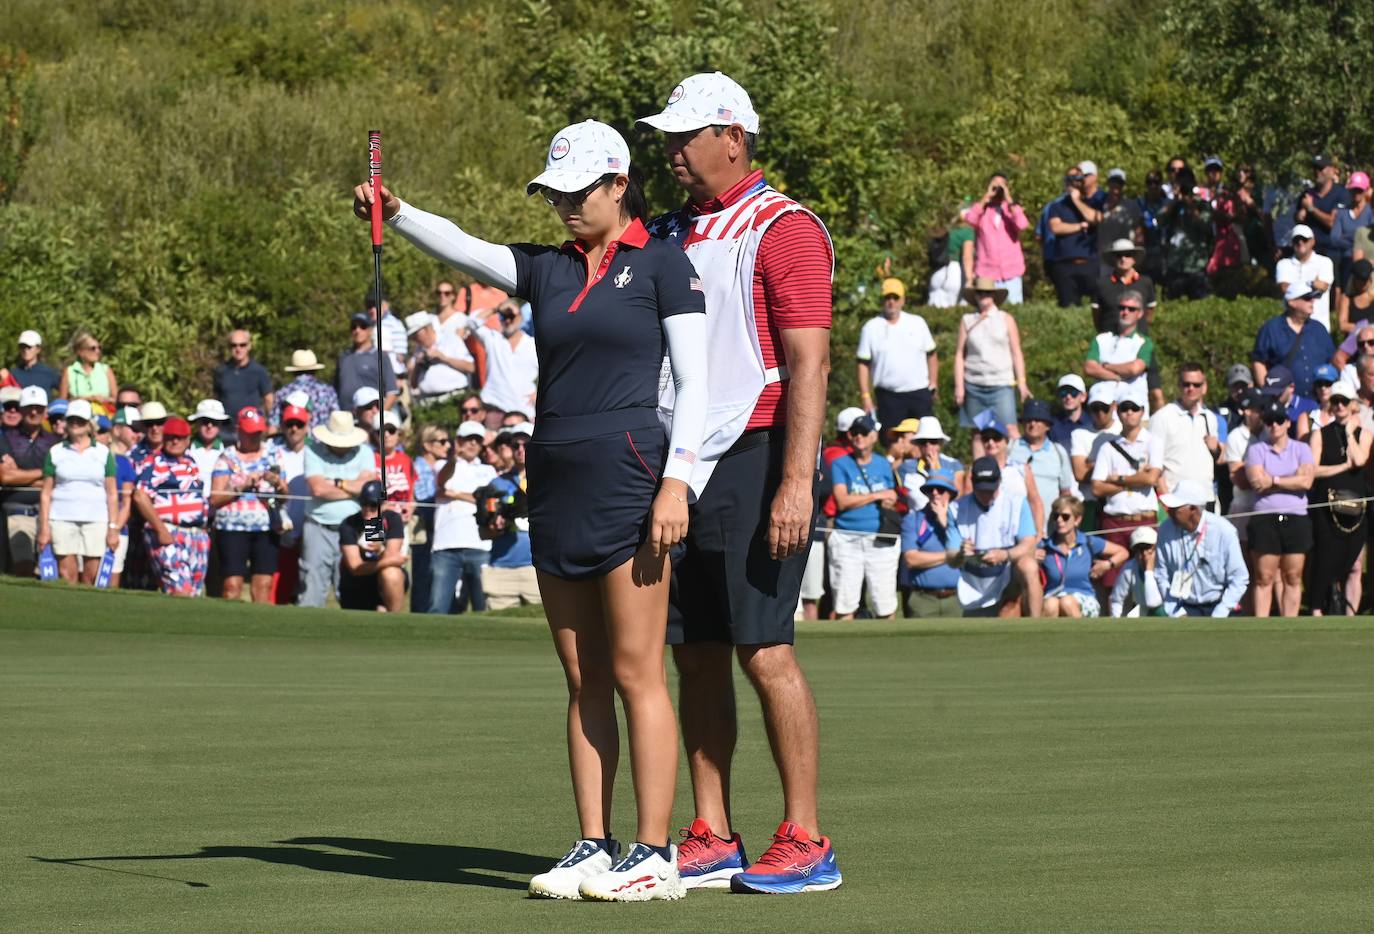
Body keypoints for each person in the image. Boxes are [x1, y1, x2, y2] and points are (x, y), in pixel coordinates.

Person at [359, 114, 709, 901]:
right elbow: (464, 245)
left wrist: (677, 482)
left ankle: (654, 854)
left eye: (577, 192)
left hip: (631, 477)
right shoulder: (547, 269)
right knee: (582, 674)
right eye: (553, 193)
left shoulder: (665, 265)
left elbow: (696, 384)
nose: (562, 206)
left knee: (634, 671)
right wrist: (397, 211)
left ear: (619, 185)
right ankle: (594, 842)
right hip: (554, 480)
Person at [638, 73, 840, 895]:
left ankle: (807, 836)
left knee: (766, 650)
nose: (673, 153)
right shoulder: (667, 230)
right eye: (668, 139)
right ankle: (713, 831)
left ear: (733, 136)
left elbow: (809, 362)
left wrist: (796, 482)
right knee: (696, 653)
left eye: (686, 138)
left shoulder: (784, 226)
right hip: (683, 461)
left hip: (759, 455)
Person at [35, 399, 119, 585]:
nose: (75, 424)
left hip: (96, 519)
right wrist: (44, 528)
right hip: (61, 517)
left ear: (89, 424)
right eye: (71, 420)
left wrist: (113, 528)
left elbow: (112, 493)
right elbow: (46, 493)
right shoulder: (55, 452)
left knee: (92, 574)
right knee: (66, 574)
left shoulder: (103, 453)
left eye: (80, 420)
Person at [1244, 399, 1314, 617]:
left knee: (1293, 576)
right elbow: (1257, 482)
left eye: (1279, 420)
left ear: (1287, 423)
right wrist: (1290, 479)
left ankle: (1290, 625)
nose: (1274, 425)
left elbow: (1306, 482)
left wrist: (1273, 480)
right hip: (1265, 518)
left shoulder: (1302, 449)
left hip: (1296, 518)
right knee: (1264, 576)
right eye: (1269, 421)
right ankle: (1261, 627)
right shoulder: (1256, 450)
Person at [300, 411, 377, 608]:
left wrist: (336, 483)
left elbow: (370, 488)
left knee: (355, 590)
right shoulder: (312, 450)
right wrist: (354, 489)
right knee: (312, 588)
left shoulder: (365, 452)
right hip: (319, 526)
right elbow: (317, 488)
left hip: (354, 529)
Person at [208, 406, 285, 604]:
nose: (254, 437)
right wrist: (242, 486)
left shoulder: (273, 455)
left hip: (266, 527)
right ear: (239, 431)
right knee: (232, 585)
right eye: (250, 433)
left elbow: (285, 496)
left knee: (263, 586)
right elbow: (215, 498)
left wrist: (276, 482)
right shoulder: (226, 458)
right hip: (232, 528)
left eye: (258, 433)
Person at [1305, 379, 1369, 615]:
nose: (1340, 406)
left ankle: (1350, 613)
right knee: (1324, 559)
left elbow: (1360, 460)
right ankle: (1316, 610)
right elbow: (1314, 470)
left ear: (1353, 404)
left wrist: (1350, 434)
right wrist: (1342, 466)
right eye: (1336, 401)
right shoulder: (1320, 435)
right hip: (1327, 506)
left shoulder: (1363, 433)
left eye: (1344, 401)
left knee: (1354, 564)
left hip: (1355, 507)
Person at [1089, 384, 1162, 589]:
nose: (1129, 413)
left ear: (1142, 411)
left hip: (1144, 518)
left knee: (1147, 579)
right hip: (1114, 519)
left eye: (1134, 408)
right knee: (1111, 582)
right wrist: (1134, 480)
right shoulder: (1107, 447)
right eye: (1124, 408)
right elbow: (1096, 488)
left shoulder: (1153, 442)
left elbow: (1151, 479)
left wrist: (1116, 479)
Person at [827, 415, 899, 620]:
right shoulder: (841, 464)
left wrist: (888, 499)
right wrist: (877, 495)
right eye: (855, 433)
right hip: (847, 538)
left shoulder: (883, 464)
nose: (859, 437)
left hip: (879, 538)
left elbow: (890, 496)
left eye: (864, 433)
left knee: (885, 605)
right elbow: (842, 501)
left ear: (873, 437)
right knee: (844, 605)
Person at [132, 416, 211, 597]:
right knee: (178, 588)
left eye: (180, 437)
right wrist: (160, 529)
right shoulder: (155, 463)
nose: (175, 441)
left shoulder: (191, 462)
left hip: (196, 535)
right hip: (169, 531)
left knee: (194, 592)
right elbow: (140, 496)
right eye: (170, 437)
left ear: (188, 440)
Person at [952, 456, 1039, 617]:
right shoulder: (956, 508)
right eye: (981, 490)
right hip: (970, 581)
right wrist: (960, 551)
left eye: (990, 489)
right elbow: (949, 554)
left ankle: (1036, 625)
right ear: (972, 482)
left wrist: (1005, 555)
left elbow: (1029, 543)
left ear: (1000, 481)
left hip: (1006, 577)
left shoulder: (1017, 503)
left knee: (1029, 565)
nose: (986, 495)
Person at [428, 421, 496, 614]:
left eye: (477, 440)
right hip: (446, 546)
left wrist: (455, 493)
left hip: (480, 545)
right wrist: (454, 458)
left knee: (482, 607)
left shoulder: (488, 470)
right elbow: (442, 483)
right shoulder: (443, 464)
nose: (472, 444)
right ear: (458, 441)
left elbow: (486, 500)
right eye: (468, 439)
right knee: (438, 607)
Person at [1154, 480, 1248, 617]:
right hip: (1183, 607)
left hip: (1222, 605)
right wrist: (1175, 610)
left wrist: (1222, 610)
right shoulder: (1165, 530)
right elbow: (1161, 575)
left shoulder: (1224, 530)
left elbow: (1240, 577)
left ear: (1192, 509)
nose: (1170, 512)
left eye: (1176, 508)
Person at [954, 276, 1028, 447]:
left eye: (987, 292)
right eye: (980, 292)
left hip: (1001, 383)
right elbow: (959, 354)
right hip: (974, 383)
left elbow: (1016, 352)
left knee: (1010, 430)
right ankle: (980, 470)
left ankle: (1014, 469)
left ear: (993, 295)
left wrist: (1022, 382)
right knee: (979, 433)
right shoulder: (967, 320)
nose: (983, 296)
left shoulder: (1005, 319)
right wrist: (959, 386)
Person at [856, 277, 937, 426]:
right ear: (882, 300)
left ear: (903, 300)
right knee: (892, 443)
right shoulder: (871, 328)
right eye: (888, 297)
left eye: (895, 297)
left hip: (919, 393)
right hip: (888, 396)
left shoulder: (917, 322)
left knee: (923, 440)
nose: (891, 302)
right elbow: (863, 364)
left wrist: (933, 383)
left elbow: (931, 354)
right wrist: (865, 396)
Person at [479, 422, 540, 610]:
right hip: (502, 567)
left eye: (526, 444)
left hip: (539, 567)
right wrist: (496, 526)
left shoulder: (550, 481)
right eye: (516, 445)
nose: (520, 450)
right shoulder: (495, 484)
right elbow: (484, 533)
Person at [0, 386, 60, 577]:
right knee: (23, 567)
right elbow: (6, 477)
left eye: (38, 408)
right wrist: (44, 473)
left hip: (51, 512)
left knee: (49, 571)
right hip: (16, 511)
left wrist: (21, 474)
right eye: (28, 407)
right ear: (21, 409)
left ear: (45, 411)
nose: (33, 412)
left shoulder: (55, 442)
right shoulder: (5, 438)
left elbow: (60, 479)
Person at [1039, 495, 1127, 618]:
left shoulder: (1088, 542)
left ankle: (1080, 636)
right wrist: (1034, 558)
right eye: (1055, 516)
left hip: (1083, 596)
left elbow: (1123, 552)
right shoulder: (1045, 546)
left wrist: (1107, 564)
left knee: (1067, 602)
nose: (1059, 520)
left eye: (1065, 517)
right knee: (1050, 604)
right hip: (1052, 596)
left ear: (1077, 520)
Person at [1149, 363, 1221, 500]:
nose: (1191, 389)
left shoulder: (1210, 418)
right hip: (1175, 501)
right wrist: (1167, 500)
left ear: (1204, 387)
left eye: (1196, 385)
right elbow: (1154, 465)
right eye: (1186, 384)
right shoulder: (1162, 417)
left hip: (1206, 499)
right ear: (1179, 385)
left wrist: (1215, 449)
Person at [1252, 283, 1337, 397]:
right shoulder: (1272, 329)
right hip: (1284, 402)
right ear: (1291, 302)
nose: (1312, 301)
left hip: (1316, 402)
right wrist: (1268, 392)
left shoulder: (1319, 329)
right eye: (1307, 298)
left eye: (1313, 298)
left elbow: (1332, 361)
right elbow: (1259, 362)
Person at [899, 469, 964, 618]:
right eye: (930, 490)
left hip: (956, 598)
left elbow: (966, 553)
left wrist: (946, 524)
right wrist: (950, 556)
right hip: (923, 599)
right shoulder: (913, 519)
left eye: (941, 490)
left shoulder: (963, 518)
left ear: (951, 493)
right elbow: (911, 559)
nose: (935, 493)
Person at [338, 480, 407, 612]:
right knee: (389, 566)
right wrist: (388, 559)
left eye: (374, 505)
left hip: (383, 581)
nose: (367, 510)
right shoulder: (349, 524)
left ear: (384, 504)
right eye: (364, 504)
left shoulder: (392, 519)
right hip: (355, 583)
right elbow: (355, 567)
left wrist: (381, 550)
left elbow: (391, 555)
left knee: (391, 573)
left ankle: (395, 620)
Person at [1083, 290, 1156, 413]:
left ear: (1140, 313)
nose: (1125, 312)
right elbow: (1089, 368)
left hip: (1132, 411)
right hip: (1102, 411)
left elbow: (1133, 369)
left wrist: (1105, 366)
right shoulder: (1101, 339)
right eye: (1122, 308)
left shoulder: (1144, 342)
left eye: (1131, 309)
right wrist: (1116, 377)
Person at [268, 401, 311, 605]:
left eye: (299, 424)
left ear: (306, 426)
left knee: (308, 578)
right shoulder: (272, 450)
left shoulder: (316, 451)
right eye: (290, 424)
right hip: (281, 519)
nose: (294, 428)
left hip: (310, 520)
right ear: (283, 426)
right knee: (282, 575)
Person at [963, 172, 1028, 304]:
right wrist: (986, 197)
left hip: (1011, 272)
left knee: (1013, 308)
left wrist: (1009, 200)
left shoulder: (1012, 209)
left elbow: (1022, 224)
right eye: (995, 185)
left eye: (1001, 185)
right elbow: (970, 219)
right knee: (988, 310)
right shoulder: (983, 211)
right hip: (987, 272)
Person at [1045, 166, 1105, 306]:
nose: (1074, 183)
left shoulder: (1095, 202)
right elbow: (1056, 227)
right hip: (1065, 265)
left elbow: (1095, 218)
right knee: (1068, 307)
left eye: (1077, 179)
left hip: (1091, 263)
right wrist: (1080, 226)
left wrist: (1076, 201)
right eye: (1070, 179)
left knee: (1097, 306)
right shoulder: (1057, 206)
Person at [1008, 399, 1075, 518]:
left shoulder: (1058, 452)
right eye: (1028, 420)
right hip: (1013, 522)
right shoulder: (1010, 448)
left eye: (1038, 420)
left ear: (1048, 425)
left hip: (1048, 525)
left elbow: (1065, 493)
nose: (1032, 424)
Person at [1070, 381, 1122, 530]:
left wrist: (1092, 464)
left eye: (1104, 408)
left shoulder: (1122, 431)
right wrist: (1112, 466)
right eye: (1095, 408)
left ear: (1113, 406)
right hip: (1089, 502)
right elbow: (1080, 473)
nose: (1100, 413)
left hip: (1117, 502)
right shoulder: (1079, 434)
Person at [409, 422, 448, 613]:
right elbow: (424, 501)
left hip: (441, 526)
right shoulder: (417, 467)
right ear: (427, 445)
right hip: (424, 526)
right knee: (423, 574)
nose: (447, 445)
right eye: (442, 441)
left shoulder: (442, 467)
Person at [212, 330, 274, 442]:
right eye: (234, 345)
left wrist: (271, 425)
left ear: (249, 346)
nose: (238, 349)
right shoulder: (221, 371)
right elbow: (216, 398)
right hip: (226, 430)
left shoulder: (259, 371)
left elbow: (268, 399)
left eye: (242, 345)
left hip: (252, 427)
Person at [1159, 170, 1213, 300]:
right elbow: (1159, 221)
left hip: (1196, 265)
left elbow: (1206, 227)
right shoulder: (1172, 205)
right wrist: (1174, 202)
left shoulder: (1202, 205)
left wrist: (1191, 206)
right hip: (1175, 264)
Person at [405, 310, 474, 407]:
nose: (414, 338)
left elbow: (470, 367)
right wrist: (418, 365)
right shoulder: (418, 350)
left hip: (453, 398)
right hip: (428, 402)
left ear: (427, 329)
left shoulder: (451, 340)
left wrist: (444, 358)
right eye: (412, 336)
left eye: (416, 334)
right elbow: (413, 384)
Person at [1275, 224, 1335, 332]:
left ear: (1312, 241)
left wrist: (1295, 287)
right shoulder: (1283, 264)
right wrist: (1311, 283)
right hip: (1291, 326)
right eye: (1296, 240)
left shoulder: (1325, 262)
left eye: (1304, 239)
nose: (1300, 242)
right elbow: (1284, 289)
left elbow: (1323, 286)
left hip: (1319, 325)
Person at [896, 416, 965, 510]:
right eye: (923, 442)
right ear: (918, 445)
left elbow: (958, 496)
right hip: (917, 521)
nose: (928, 446)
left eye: (933, 441)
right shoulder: (906, 468)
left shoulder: (954, 465)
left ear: (940, 443)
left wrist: (935, 469)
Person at [337, 311, 398, 413]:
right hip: (346, 419)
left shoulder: (380, 356)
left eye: (363, 326)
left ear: (370, 330)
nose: (357, 330)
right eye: (354, 327)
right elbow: (337, 389)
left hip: (370, 420)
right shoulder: (344, 357)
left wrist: (379, 418)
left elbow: (392, 393)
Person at [1092, 239, 1158, 333]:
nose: (1123, 258)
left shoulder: (1145, 282)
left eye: (1128, 255)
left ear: (1134, 259)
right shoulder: (1101, 284)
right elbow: (1096, 315)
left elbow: (1150, 311)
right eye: (1119, 255)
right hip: (1109, 340)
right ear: (1113, 259)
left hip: (1138, 340)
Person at [1297, 154, 1348, 264]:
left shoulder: (1341, 194)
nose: (1317, 172)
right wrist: (1300, 215)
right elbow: (1298, 220)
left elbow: (1333, 223)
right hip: (1310, 253)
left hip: (1333, 253)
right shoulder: (1307, 195)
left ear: (1331, 170)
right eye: (1315, 168)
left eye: (1321, 168)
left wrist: (1311, 208)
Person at [1330, 171, 1371, 301]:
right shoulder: (1342, 212)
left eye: (1359, 190)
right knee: (1345, 292)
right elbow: (1334, 238)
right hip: (1346, 259)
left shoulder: (1371, 212)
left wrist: (1348, 238)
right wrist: (1356, 245)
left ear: (1365, 191)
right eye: (1354, 190)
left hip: (1368, 261)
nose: (1356, 194)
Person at [272, 350, 339, 430]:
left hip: (292, 440)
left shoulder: (283, 392)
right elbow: (337, 419)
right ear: (315, 370)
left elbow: (273, 424)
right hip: (322, 440)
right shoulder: (327, 391)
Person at [57, 329, 117, 415]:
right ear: (80, 351)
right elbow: (62, 402)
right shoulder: (70, 372)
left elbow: (116, 399)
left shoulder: (106, 370)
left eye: (99, 348)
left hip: (104, 416)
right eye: (93, 348)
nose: (97, 351)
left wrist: (104, 399)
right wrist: (86, 399)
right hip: (78, 415)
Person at [1109, 526, 1164, 617]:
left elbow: (1155, 602)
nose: (1144, 553)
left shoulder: (1168, 564)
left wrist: (1148, 570)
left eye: (1148, 547)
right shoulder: (1129, 568)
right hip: (1144, 612)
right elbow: (1116, 599)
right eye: (1139, 549)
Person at [187, 399, 229, 490]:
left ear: (221, 424)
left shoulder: (229, 450)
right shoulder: (185, 448)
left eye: (214, 422)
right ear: (197, 423)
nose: (209, 426)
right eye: (205, 421)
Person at [9, 330, 61, 396]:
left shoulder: (49, 373)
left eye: (29, 347)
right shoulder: (13, 374)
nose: (25, 350)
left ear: (38, 349)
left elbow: (65, 393)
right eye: (22, 346)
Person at [1049, 374, 1088, 448]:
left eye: (1073, 393)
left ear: (1083, 396)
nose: (1068, 397)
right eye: (1063, 393)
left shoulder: (1093, 423)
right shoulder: (1051, 425)